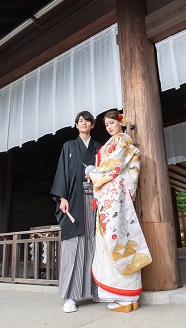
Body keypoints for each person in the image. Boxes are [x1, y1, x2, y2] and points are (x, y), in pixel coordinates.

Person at [86, 109, 152, 312]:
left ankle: (123, 297)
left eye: (111, 122)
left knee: (113, 243)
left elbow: (113, 166)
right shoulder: (122, 142)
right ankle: (128, 296)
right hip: (117, 196)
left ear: (121, 123)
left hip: (113, 198)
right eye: (106, 125)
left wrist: (92, 173)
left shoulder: (120, 140)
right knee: (121, 242)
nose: (109, 127)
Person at [50, 111, 101, 313]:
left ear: (92, 124)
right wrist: (62, 198)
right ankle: (70, 296)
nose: (83, 123)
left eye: (86, 120)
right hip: (74, 200)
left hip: (95, 200)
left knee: (95, 244)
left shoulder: (98, 148)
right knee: (73, 247)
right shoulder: (69, 147)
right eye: (80, 120)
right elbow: (62, 172)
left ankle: (96, 290)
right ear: (76, 125)